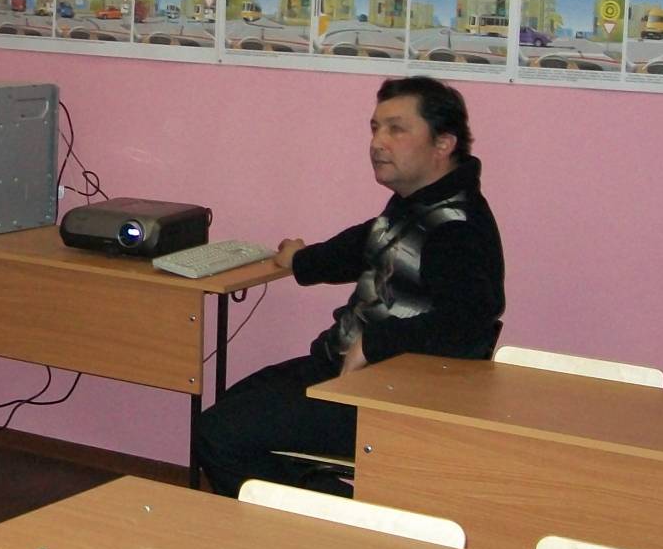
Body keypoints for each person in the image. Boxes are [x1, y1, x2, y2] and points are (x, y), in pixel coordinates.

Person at [195, 76, 505, 497]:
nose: (377, 143)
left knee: (220, 433)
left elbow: (469, 321)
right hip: (344, 369)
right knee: (231, 411)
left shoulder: (457, 227)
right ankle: (326, 505)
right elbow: (363, 244)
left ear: (443, 143)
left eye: (396, 129)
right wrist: (300, 260)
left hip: (390, 394)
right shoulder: (416, 203)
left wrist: (374, 343)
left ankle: (332, 512)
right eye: (375, 128)